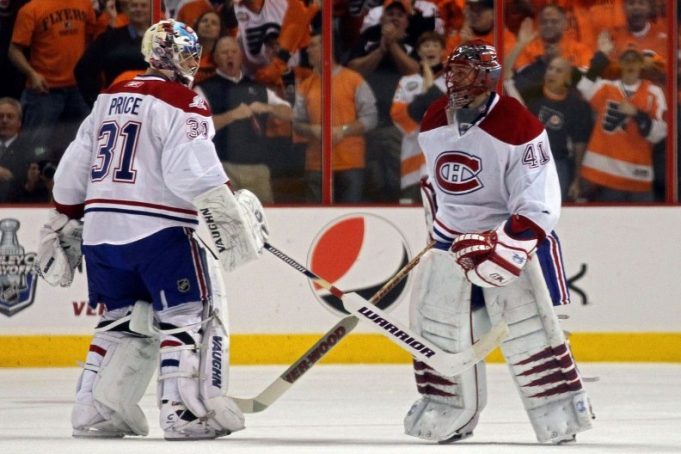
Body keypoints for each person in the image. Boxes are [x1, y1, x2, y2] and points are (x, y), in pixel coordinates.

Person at [36, 19, 269, 440]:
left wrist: (64, 215)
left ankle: (93, 409)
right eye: (189, 53)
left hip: (101, 233)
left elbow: (73, 168)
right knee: (186, 317)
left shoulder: (108, 98)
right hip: (158, 233)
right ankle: (183, 413)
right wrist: (229, 208)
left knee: (119, 320)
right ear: (180, 58)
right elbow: (192, 175)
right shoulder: (186, 101)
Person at [404, 40, 594, 444]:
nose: (454, 79)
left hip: (514, 239)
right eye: (452, 71)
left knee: (533, 331)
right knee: (437, 330)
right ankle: (450, 407)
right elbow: (441, 187)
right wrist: (437, 235)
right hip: (452, 244)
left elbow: (539, 201)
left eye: (465, 72)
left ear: (488, 77)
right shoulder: (435, 117)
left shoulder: (518, 124)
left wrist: (506, 246)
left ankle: (557, 409)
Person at [504, 20, 594, 201]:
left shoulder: (576, 106)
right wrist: (521, 44)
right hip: (527, 163)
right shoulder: (530, 93)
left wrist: (577, 179)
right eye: (551, 69)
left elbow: (579, 146)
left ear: (568, 79)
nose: (551, 73)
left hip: (558, 165)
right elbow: (505, 75)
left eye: (559, 70)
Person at [196, 36, 292, 203]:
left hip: (257, 168)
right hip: (222, 168)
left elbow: (290, 113)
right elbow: (197, 127)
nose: (230, 56)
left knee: (263, 220)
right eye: (224, 52)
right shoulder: (204, 88)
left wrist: (268, 107)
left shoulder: (257, 87)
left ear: (241, 56)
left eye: (234, 51)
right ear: (216, 58)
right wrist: (231, 116)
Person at [8, 0, 102, 158]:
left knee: (87, 142)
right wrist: (32, 74)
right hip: (45, 90)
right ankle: (31, 180)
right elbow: (14, 51)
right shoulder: (32, 9)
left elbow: (93, 37)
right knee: (33, 147)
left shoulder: (84, 4)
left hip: (78, 89)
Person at [293, 30, 378, 203]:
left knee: (349, 217)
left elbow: (371, 118)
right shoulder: (305, 86)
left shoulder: (354, 80)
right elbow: (297, 123)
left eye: (313, 45)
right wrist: (312, 130)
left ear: (327, 48)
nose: (308, 50)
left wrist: (344, 130)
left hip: (350, 163)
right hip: (317, 164)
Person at [347, 0, 419, 202]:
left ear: (407, 21)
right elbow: (353, 70)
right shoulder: (368, 38)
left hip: (402, 127)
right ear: (381, 18)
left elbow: (415, 72)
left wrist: (392, 45)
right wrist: (380, 49)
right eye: (390, 13)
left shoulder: (414, 41)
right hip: (368, 123)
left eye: (400, 14)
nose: (395, 17)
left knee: (401, 178)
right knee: (373, 179)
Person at [574, 47, 667, 202]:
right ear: (620, 64)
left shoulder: (653, 92)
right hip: (605, 175)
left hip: (638, 176)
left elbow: (659, 133)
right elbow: (584, 86)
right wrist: (601, 54)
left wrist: (638, 114)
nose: (630, 64)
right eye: (626, 60)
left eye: (635, 61)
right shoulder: (606, 87)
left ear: (641, 65)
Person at [390, 31, 446, 202]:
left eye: (436, 45)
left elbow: (450, 115)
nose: (431, 49)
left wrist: (422, 104)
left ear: (443, 52)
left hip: (443, 159)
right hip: (413, 157)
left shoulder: (453, 80)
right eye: (426, 45)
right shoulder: (407, 82)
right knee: (410, 210)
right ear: (419, 51)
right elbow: (397, 114)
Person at [75, 0, 152, 107]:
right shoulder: (108, 39)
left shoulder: (163, 40)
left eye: (143, 6)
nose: (139, 9)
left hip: (152, 106)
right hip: (116, 106)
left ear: (152, 9)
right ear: (126, 10)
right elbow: (84, 69)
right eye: (134, 5)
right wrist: (96, 102)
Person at [0, 97, 42, 202]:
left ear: (19, 122)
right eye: (0, 116)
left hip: (15, 207)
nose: (4, 120)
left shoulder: (30, 150)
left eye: (10, 117)